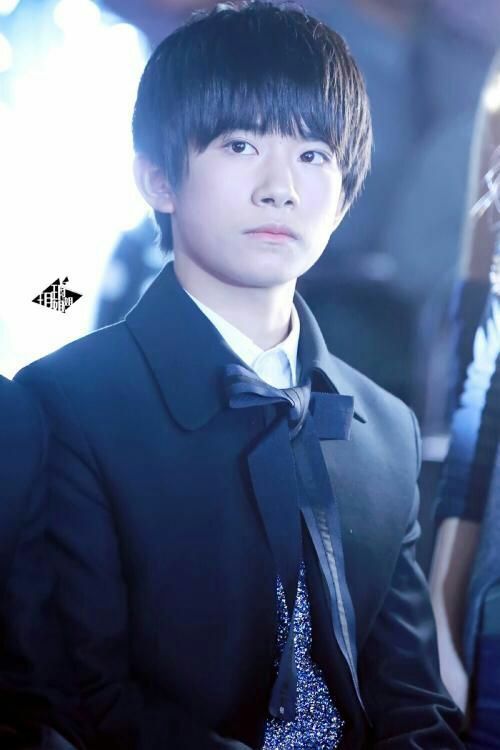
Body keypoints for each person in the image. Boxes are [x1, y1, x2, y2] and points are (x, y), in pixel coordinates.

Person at [16, 3, 464, 748]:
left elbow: (413, 701)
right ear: (157, 177)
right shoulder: (62, 405)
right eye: (240, 144)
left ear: (345, 195)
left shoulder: (386, 428)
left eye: (314, 154)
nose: (279, 187)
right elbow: (81, 703)